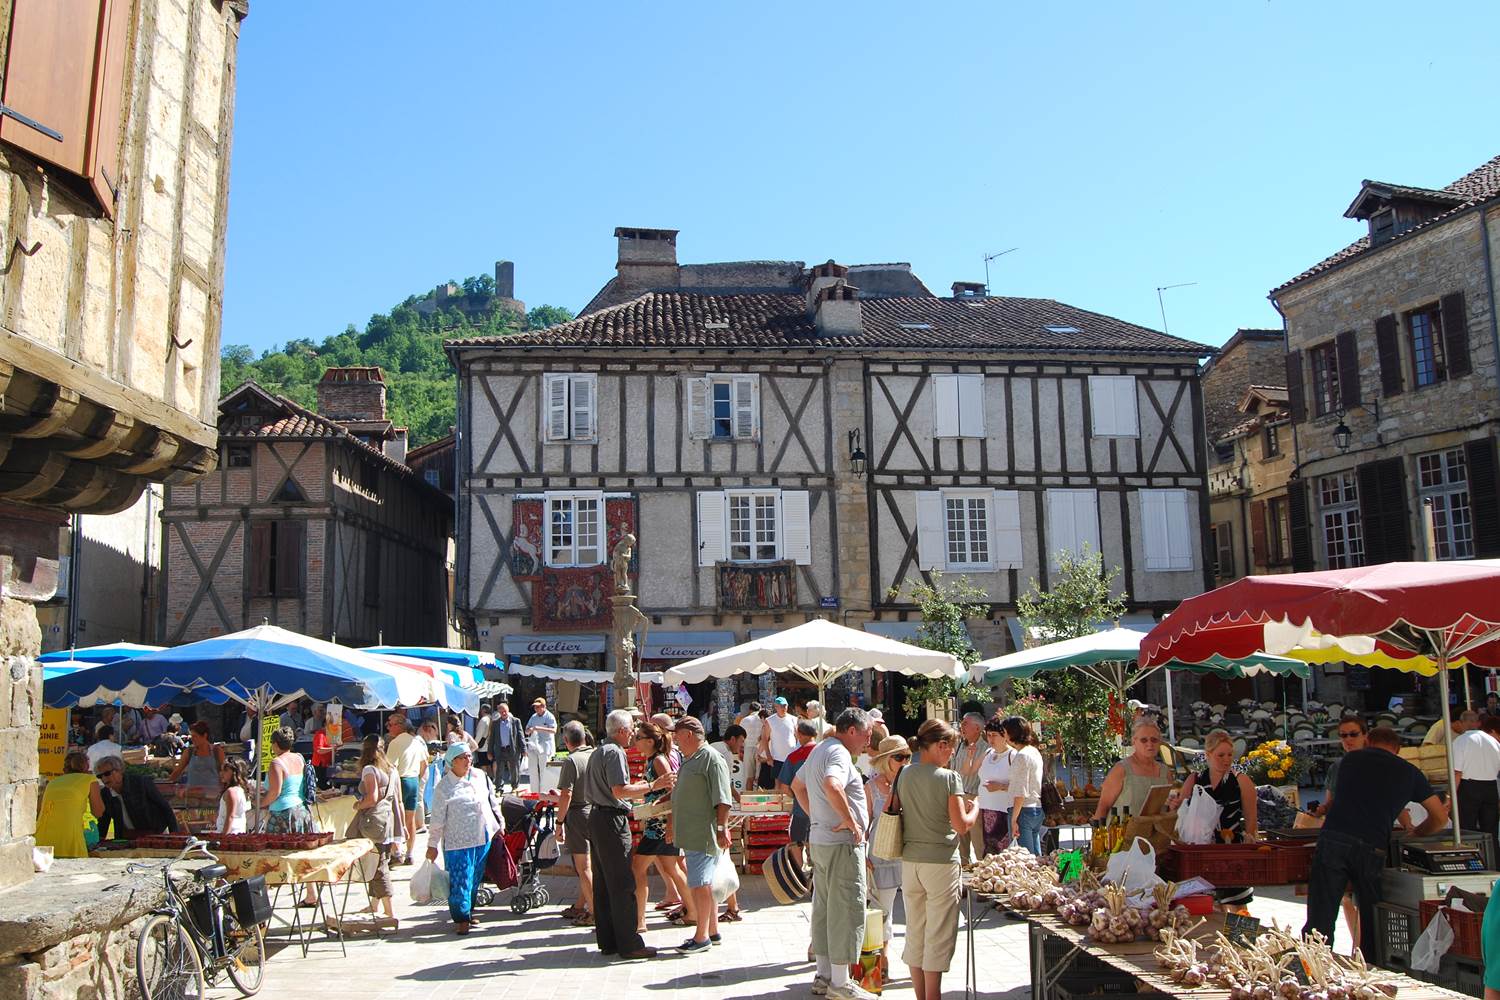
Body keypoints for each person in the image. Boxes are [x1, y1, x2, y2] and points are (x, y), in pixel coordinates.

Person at [1304, 725, 1450, 959]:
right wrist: (1417, 833)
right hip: (1372, 845)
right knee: (1371, 915)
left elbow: (1352, 794)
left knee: (1322, 912)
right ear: (1398, 749)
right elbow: (1440, 818)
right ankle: (1371, 965)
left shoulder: (1350, 761)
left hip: (1335, 838)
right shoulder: (1409, 772)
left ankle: (1313, 963)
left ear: (1368, 741)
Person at [792, 707, 875, 1000]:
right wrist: (850, 821)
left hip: (822, 841)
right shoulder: (838, 752)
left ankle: (824, 976)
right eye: (867, 735)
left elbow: (797, 785)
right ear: (852, 730)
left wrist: (818, 817)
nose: (868, 741)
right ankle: (840, 983)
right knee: (846, 908)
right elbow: (832, 784)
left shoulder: (819, 749)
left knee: (825, 908)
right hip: (841, 845)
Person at [580, 709, 672, 961]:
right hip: (611, 820)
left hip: (598, 818)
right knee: (622, 883)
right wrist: (652, 785)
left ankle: (609, 940)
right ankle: (630, 944)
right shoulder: (614, 752)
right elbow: (619, 791)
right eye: (631, 728)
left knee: (604, 883)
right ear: (621, 730)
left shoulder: (599, 751)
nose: (633, 733)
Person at [901, 719, 979, 1000]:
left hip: (910, 861)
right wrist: (975, 809)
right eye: (951, 747)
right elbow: (961, 825)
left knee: (916, 932)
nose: (952, 753)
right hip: (941, 861)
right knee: (938, 934)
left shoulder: (905, 774)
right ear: (941, 745)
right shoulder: (949, 778)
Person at [668, 716, 732, 953]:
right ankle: (712, 931)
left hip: (703, 834)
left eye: (677, 734)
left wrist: (722, 828)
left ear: (688, 735)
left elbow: (722, 798)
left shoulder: (710, 758)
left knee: (700, 885)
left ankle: (701, 936)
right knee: (704, 883)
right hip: (692, 833)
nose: (674, 739)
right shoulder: (692, 758)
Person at [1173, 729, 1258, 904]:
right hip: (1201, 851)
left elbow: (1251, 818)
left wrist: (1249, 846)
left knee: (1237, 902)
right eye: (1220, 755)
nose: (1226, 760)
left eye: (1229, 755)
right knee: (1207, 903)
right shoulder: (1195, 779)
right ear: (1208, 755)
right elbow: (1180, 813)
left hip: (1231, 849)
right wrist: (1174, 805)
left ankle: (1239, 924)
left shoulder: (1241, 780)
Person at [426, 743, 502, 935]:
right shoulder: (444, 787)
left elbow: (492, 801)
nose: (468, 760)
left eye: (469, 756)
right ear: (452, 762)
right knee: (460, 880)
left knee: (475, 878)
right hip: (457, 843)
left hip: (482, 838)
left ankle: (468, 911)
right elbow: (437, 819)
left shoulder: (480, 776)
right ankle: (461, 918)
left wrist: (499, 823)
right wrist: (432, 844)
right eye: (462, 757)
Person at [1313, 711, 1369, 950]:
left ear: (1365, 735)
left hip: (1366, 837)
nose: (1348, 740)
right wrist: (1320, 810)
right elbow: (1330, 801)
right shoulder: (1337, 767)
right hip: (1340, 836)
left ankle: (1362, 948)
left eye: (1353, 734)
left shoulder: (1373, 764)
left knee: (1362, 897)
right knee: (1345, 896)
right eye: (1343, 735)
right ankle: (1356, 948)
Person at [631, 721, 694, 931]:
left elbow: (675, 791)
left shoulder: (658, 761)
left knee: (637, 868)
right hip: (660, 825)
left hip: (659, 827)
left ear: (650, 741)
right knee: (671, 868)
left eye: (638, 737)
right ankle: (693, 911)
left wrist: (670, 825)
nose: (635, 741)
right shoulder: (653, 760)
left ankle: (639, 920)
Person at [864, 735, 911, 970]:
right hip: (881, 853)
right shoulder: (871, 787)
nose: (905, 761)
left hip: (910, 852)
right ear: (885, 760)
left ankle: (915, 960)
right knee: (883, 909)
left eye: (907, 756)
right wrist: (862, 856)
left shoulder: (912, 783)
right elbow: (863, 825)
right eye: (899, 757)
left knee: (915, 911)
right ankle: (882, 958)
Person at [347, 734, 401, 928]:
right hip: (387, 821)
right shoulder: (391, 769)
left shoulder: (370, 770)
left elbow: (372, 798)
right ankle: (375, 903)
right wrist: (401, 829)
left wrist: (357, 805)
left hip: (373, 822)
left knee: (378, 865)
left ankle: (388, 909)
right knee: (378, 860)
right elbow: (398, 800)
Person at [554, 721, 594, 926]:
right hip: (596, 812)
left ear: (565, 740)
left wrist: (559, 822)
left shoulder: (571, 761)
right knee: (589, 866)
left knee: (583, 867)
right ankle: (580, 904)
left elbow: (566, 795)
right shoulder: (594, 755)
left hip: (578, 816)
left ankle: (594, 912)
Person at [1092, 720, 1172, 820]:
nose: (1150, 744)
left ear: (1159, 742)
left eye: (1154, 740)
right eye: (1144, 740)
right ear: (1134, 741)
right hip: (1122, 829)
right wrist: (1098, 829)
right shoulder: (1121, 769)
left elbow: (1168, 808)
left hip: (1156, 829)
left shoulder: (1165, 772)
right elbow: (1103, 806)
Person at [36, 752, 105, 858]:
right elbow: (98, 812)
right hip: (69, 837)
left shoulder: (52, 783)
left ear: (65, 768)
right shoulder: (90, 780)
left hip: (42, 837)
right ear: (86, 766)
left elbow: (38, 811)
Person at [95, 755, 178, 838]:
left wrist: (174, 834)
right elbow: (104, 820)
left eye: (107, 774)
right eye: (100, 776)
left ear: (119, 770)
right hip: (126, 838)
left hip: (154, 834)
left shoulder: (141, 783)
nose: (104, 778)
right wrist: (99, 840)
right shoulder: (105, 794)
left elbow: (165, 807)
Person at [777, 718, 821, 870]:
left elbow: (784, 787)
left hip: (801, 809)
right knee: (817, 844)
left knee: (796, 843)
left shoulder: (794, 757)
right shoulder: (825, 753)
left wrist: (796, 796)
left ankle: (800, 875)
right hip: (823, 810)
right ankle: (817, 875)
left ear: (800, 734)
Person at [385, 714, 428, 865]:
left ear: (399, 725)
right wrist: (417, 779)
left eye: (390, 725)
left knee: (395, 818)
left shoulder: (395, 743)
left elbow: (390, 767)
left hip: (401, 781)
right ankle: (409, 854)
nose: (388, 728)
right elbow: (424, 764)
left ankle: (396, 852)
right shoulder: (416, 741)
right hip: (413, 781)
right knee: (410, 820)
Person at [1004, 716, 1046, 855]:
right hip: (1036, 808)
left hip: (1023, 810)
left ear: (1012, 733)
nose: (1004, 736)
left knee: (1024, 859)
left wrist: (1014, 819)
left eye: (1005, 732)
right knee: (1036, 858)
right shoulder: (1034, 751)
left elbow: (1020, 791)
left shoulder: (1021, 756)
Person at [260, 727, 314, 833]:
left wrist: (260, 804)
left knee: (279, 843)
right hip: (301, 809)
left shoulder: (276, 763)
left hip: (282, 813)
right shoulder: (299, 758)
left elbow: (275, 792)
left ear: (275, 744)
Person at [1453, 713, 1500, 834]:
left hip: (1469, 787)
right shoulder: (1494, 741)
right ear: (1478, 723)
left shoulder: (1460, 741)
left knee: (1467, 828)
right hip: (1491, 787)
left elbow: (1457, 772)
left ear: (1462, 723)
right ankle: (1493, 847)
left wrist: (1449, 796)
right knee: (1491, 830)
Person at [950, 712, 986, 865]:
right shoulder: (959, 745)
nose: (961, 726)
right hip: (957, 795)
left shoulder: (986, 748)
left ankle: (982, 868)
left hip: (973, 796)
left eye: (965, 723)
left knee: (978, 840)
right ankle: (964, 868)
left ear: (977, 728)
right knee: (960, 840)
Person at [977, 716, 1014, 854]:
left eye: (994, 735)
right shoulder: (988, 753)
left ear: (1005, 735)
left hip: (1004, 811)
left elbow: (1021, 786)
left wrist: (1001, 787)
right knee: (990, 852)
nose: (991, 739)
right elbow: (969, 771)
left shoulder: (1013, 755)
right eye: (988, 735)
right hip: (986, 809)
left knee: (1004, 853)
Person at [167, 721, 226, 797]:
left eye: (195, 736)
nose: (192, 739)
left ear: (204, 735)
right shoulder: (189, 752)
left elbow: (224, 772)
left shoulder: (217, 751)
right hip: (192, 795)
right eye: (192, 736)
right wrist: (166, 784)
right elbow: (178, 771)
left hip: (212, 796)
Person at [761, 696, 797, 790]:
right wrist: (768, 756)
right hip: (777, 758)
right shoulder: (770, 721)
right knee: (778, 784)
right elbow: (764, 739)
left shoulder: (793, 719)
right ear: (776, 707)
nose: (783, 708)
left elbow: (797, 737)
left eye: (785, 706)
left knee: (792, 784)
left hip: (792, 757)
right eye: (781, 706)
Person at [525, 697, 558, 790]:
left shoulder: (549, 716)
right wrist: (529, 730)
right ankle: (535, 792)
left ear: (544, 707)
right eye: (535, 707)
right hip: (534, 746)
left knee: (544, 770)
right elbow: (526, 730)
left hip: (545, 746)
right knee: (533, 770)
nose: (536, 709)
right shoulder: (533, 717)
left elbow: (554, 730)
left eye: (538, 707)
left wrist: (539, 728)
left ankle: (544, 791)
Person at [490, 702, 523, 792]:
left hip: (512, 749)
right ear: (499, 713)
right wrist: (490, 751)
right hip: (500, 750)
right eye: (501, 712)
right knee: (499, 770)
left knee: (514, 769)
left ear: (508, 710)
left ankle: (514, 787)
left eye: (505, 711)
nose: (503, 713)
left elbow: (521, 736)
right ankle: (499, 788)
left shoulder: (515, 721)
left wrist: (523, 749)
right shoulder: (495, 723)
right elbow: (492, 738)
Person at [710, 725, 749, 796]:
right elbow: (725, 782)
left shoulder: (715, 745)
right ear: (733, 739)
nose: (742, 745)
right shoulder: (726, 753)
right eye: (742, 741)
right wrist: (738, 798)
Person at [215, 758, 251, 834]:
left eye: (225, 770)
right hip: (238, 832)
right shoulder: (241, 790)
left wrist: (223, 837)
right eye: (221, 770)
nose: (221, 773)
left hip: (230, 834)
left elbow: (230, 817)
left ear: (235, 772)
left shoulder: (231, 791)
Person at [737, 703, 765, 787]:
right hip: (761, 750)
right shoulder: (763, 720)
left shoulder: (744, 720)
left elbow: (740, 738)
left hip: (748, 749)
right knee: (759, 778)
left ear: (750, 710)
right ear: (760, 709)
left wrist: (740, 752)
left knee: (749, 777)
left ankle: (749, 794)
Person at [473, 701, 494, 776]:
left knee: (483, 765)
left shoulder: (483, 720)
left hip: (483, 746)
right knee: (489, 765)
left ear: (483, 710)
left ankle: (485, 780)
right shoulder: (491, 719)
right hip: (490, 745)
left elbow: (479, 734)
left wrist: (474, 744)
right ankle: (491, 779)